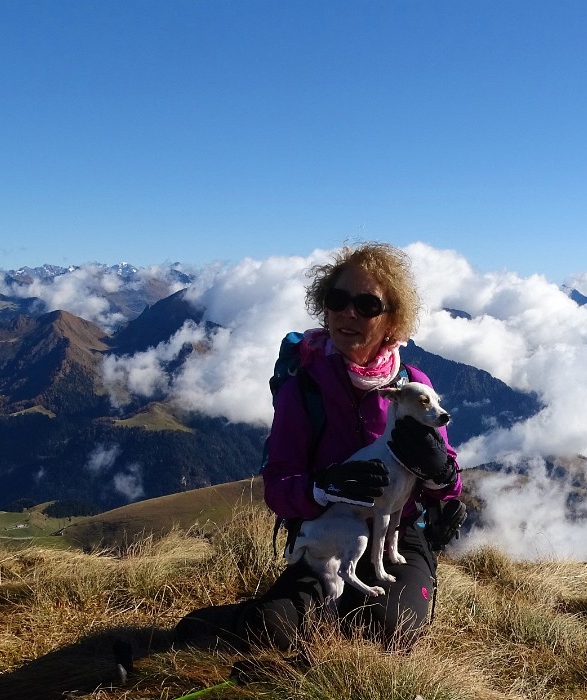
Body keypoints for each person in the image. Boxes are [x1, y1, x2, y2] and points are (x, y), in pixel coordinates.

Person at [173, 242, 466, 652]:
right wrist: (323, 486)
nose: (348, 312)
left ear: (392, 322)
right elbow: (278, 485)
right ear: (323, 307)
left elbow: (448, 486)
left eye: (367, 305)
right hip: (329, 526)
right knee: (273, 630)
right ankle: (208, 627)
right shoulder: (304, 386)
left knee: (388, 631)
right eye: (337, 299)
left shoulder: (415, 386)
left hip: (397, 534)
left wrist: (441, 473)